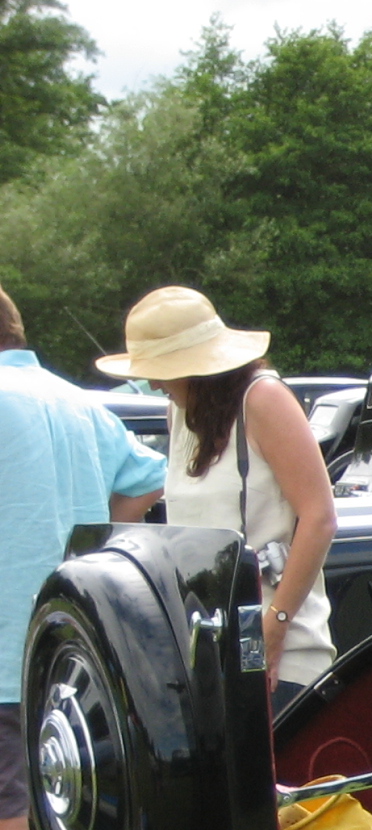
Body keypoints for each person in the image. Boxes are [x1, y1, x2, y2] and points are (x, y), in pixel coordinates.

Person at [0, 284, 167, 830]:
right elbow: (146, 481)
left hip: (4, 641)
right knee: (86, 815)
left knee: (7, 821)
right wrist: (94, 528)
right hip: (78, 639)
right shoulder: (75, 402)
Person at [101, 288, 339, 708]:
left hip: (278, 648)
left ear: (198, 368)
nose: (152, 383)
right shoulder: (180, 412)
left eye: (161, 369)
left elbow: (319, 517)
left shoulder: (263, 399)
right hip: (208, 645)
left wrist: (276, 624)